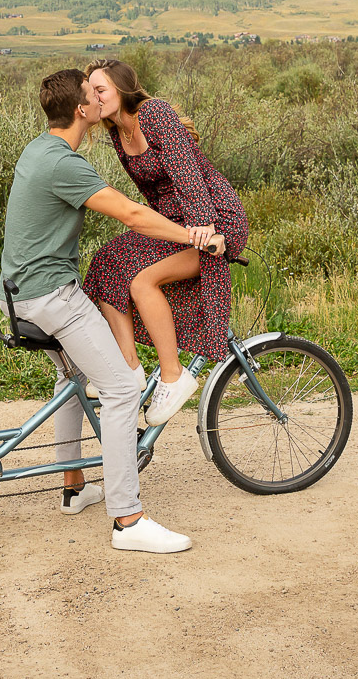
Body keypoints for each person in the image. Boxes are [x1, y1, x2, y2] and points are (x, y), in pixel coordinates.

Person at [1, 69, 223, 554]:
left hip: (20, 295)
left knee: (74, 377)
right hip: (50, 296)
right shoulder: (65, 164)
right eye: (91, 93)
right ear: (82, 110)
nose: (98, 97)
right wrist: (195, 236)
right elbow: (132, 214)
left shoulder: (40, 149)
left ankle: (74, 487)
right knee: (122, 389)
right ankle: (128, 519)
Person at [79, 59, 247, 427]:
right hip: (174, 224)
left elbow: (187, 171)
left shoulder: (154, 113)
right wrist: (160, 228)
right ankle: (129, 369)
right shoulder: (117, 133)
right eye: (90, 91)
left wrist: (203, 224)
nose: (94, 96)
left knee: (142, 282)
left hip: (215, 218)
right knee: (107, 262)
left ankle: (173, 377)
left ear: (121, 90)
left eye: (101, 89)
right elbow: (151, 194)